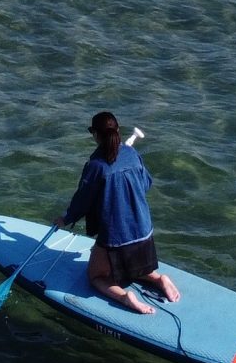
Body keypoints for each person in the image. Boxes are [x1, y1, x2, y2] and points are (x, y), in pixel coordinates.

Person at [53, 111, 180, 315]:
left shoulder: (95, 166)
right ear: (118, 130)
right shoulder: (132, 154)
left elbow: (82, 201)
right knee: (133, 269)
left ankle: (125, 297)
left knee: (96, 276)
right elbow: (147, 183)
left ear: (95, 134)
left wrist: (65, 219)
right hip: (144, 231)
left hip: (116, 237)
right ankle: (159, 279)